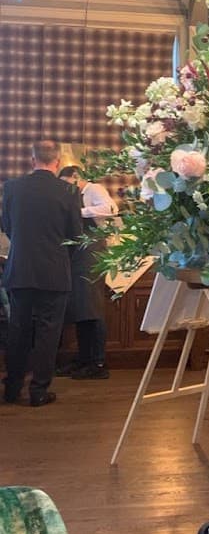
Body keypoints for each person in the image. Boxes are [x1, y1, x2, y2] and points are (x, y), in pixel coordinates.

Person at [2, 140, 82, 406]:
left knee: (18, 329)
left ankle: (12, 387)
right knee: (49, 332)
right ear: (57, 162)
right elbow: (76, 235)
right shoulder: (69, 191)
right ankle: (38, 391)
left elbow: (7, 226)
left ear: (32, 159)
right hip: (54, 270)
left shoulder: (12, 187)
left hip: (20, 268)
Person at [58, 166, 118, 380]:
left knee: (93, 308)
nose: (65, 188)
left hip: (92, 254)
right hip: (78, 255)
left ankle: (98, 363)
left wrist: (79, 212)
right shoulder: (75, 195)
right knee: (81, 308)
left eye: (66, 183)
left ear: (76, 177)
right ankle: (84, 359)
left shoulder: (94, 189)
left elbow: (110, 208)